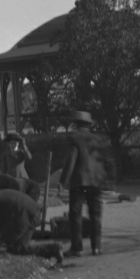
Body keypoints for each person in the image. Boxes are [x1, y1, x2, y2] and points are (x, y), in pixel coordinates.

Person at [58, 110, 114, 257]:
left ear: (76, 124)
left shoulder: (74, 138)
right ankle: (97, 248)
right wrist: (109, 180)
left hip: (79, 182)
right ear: (89, 125)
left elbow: (71, 160)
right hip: (96, 182)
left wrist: (62, 181)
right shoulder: (99, 139)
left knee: (75, 215)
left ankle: (77, 248)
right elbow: (108, 161)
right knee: (95, 215)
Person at [0, 185, 64, 264]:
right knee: (21, 248)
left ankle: (51, 250)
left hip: (24, 215)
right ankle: (54, 248)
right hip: (33, 212)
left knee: (12, 246)